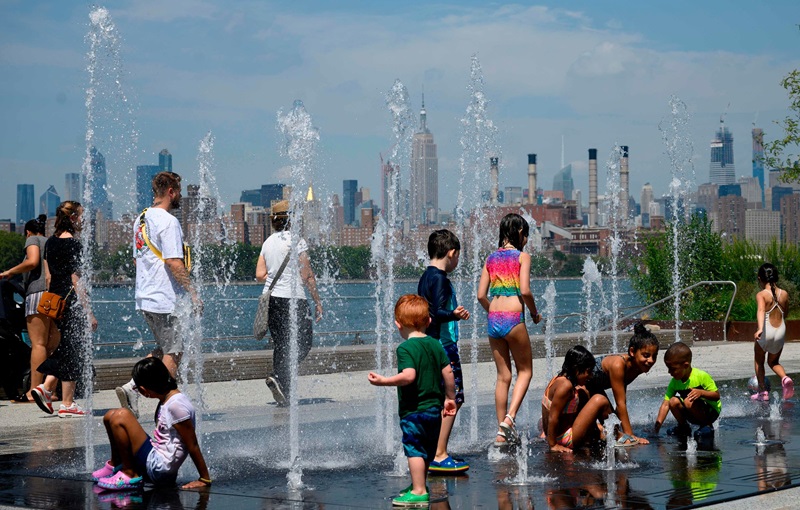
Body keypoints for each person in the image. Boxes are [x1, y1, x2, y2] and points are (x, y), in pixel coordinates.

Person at [116, 172, 203, 418]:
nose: (180, 197)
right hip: (165, 299)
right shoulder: (168, 221)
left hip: (145, 296)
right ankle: (165, 411)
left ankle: (132, 386)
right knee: (174, 352)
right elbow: (175, 262)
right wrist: (193, 293)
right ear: (171, 192)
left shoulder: (141, 220)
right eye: (179, 192)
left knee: (163, 348)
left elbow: (137, 260)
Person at [367, 294, 456, 507]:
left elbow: (409, 376)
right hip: (435, 409)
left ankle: (418, 491)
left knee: (414, 448)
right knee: (426, 450)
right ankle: (420, 484)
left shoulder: (405, 348)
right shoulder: (435, 344)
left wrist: (384, 380)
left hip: (414, 410)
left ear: (398, 324)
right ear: (429, 321)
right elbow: (448, 372)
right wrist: (450, 398)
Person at [92, 357, 211, 491]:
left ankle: (129, 473)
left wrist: (204, 478)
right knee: (110, 416)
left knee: (122, 416)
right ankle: (116, 464)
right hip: (155, 459)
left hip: (160, 469)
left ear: (143, 390)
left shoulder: (176, 405)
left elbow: (192, 444)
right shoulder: (168, 399)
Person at [477, 213, 541, 447]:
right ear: (521, 233)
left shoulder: (490, 258)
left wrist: (493, 311)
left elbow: (480, 295)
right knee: (525, 372)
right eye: (526, 235)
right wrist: (534, 313)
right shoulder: (523, 257)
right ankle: (510, 419)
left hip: (493, 317)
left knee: (503, 377)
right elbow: (525, 291)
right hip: (514, 316)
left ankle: (500, 433)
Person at [31, 201, 98, 417]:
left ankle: (47, 387)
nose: (83, 220)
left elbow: (49, 276)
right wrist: (88, 312)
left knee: (69, 346)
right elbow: (76, 280)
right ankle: (66, 403)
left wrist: (55, 302)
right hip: (72, 303)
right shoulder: (74, 245)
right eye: (81, 216)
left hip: (56, 302)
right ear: (72, 218)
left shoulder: (50, 243)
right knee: (74, 348)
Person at [255, 199, 323, 406]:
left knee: (281, 345)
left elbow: (259, 275)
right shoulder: (297, 240)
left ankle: (284, 391)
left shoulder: (268, 242)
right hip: (294, 300)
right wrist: (317, 301)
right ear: (291, 220)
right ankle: (279, 375)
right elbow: (307, 275)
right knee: (303, 343)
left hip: (272, 300)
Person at [417, 229, 470, 473]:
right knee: (454, 398)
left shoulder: (424, 277)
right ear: (452, 253)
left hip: (430, 345)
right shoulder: (439, 278)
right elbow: (436, 312)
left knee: (438, 400)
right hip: (444, 346)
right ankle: (440, 454)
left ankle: (431, 451)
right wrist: (454, 314)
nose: (458, 262)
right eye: (458, 257)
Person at [0, 215, 60, 403]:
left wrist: (9, 271)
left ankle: (33, 392)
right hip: (54, 298)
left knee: (38, 344)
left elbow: (32, 261)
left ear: (27, 232)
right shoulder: (53, 241)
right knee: (52, 345)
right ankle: (51, 390)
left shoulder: (33, 239)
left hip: (38, 295)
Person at [584, 323, 659, 446]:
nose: (651, 360)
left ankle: (599, 429)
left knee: (613, 428)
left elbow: (621, 398)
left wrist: (620, 427)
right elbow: (620, 403)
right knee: (610, 430)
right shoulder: (619, 364)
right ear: (632, 352)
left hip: (595, 388)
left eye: (654, 356)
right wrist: (630, 435)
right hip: (581, 387)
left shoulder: (637, 367)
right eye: (646, 355)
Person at [542, 345, 611, 453]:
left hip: (557, 434)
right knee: (600, 400)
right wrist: (553, 445)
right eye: (588, 372)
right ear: (576, 368)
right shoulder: (565, 386)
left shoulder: (558, 379)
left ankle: (598, 432)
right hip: (565, 438)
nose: (590, 376)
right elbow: (553, 417)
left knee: (583, 392)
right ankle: (616, 435)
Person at [653, 341, 721, 438]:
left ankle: (707, 426)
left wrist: (701, 393)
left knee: (688, 401)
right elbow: (665, 404)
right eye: (668, 368)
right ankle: (683, 427)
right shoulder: (674, 382)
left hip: (711, 412)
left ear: (685, 365)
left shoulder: (701, 376)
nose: (669, 372)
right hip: (692, 411)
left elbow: (717, 396)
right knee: (672, 401)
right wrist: (656, 428)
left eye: (672, 369)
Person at [752, 263, 793, 401]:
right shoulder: (785, 294)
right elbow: (785, 313)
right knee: (774, 362)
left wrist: (760, 329)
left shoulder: (762, 294)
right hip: (780, 331)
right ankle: (785, 378)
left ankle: (763, 393)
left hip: (766, 331)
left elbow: (761, 310)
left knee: (759, 360)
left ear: (760, 278)